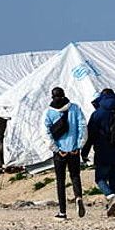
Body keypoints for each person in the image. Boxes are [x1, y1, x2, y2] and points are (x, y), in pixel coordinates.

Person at [82, 88, 115, 217]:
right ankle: (111, 208)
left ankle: (110, 196)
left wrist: (84, 152)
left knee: (100, 178)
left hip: (102, 150)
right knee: (114, 178)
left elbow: (90, 136)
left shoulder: (98, 114)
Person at [45, 87, 87, 219]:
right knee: (75, 176)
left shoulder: (49, 113)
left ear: (52, 97)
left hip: (60, 153)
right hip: (74, 150)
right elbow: (82, 127)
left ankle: (62, 212)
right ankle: (78, 197)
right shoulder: (75, 108)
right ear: (64, 95)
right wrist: (79, 146)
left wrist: (56, 149)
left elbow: (46, 133)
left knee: (60, 181)